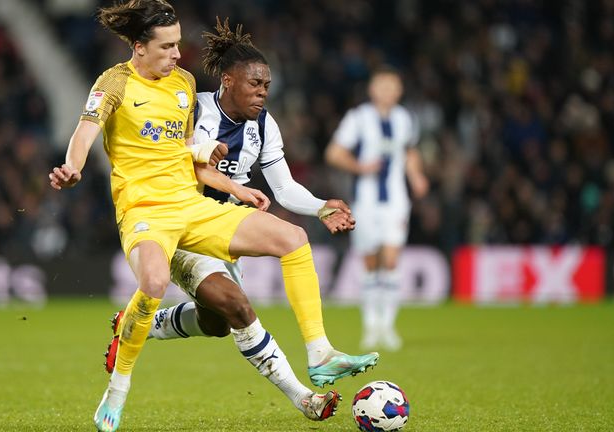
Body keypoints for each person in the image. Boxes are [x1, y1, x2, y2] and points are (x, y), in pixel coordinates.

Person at [49, 2, 377, 430]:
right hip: (146, 211)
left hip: (196, 208)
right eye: (167, 46)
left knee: (289, 244)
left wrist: (241, 189)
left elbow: (185, 155)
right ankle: (118, 388)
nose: (177, 54)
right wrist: (73, 167)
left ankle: (320, 354)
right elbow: (85, 131)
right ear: (139, 46)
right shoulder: (115, 82)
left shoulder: (184, 84)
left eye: (177, 44)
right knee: (174, 289)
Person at [324, 66, 429, 351]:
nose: (387, 91)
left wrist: (416, 176)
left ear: (399, 90)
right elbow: (333, 153)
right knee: (370, 264)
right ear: (372, 89)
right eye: (382, 86)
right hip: (366, 202)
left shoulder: (405, 119)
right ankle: (371, 327)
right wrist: (360, 167)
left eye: (392, 86)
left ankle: (388, 327)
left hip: (396, 201)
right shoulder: (358, 118)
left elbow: (409, 151)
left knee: (392, 262)